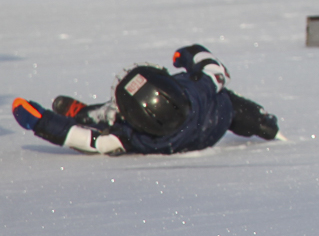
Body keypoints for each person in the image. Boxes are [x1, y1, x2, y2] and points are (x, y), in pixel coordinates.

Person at [11, 44, 278, 156]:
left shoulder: (136, 136)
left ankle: (86, 113)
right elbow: (213, 67)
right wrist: (188, 54)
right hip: (216, 119)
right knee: (234, 107)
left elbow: (90, 141)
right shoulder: (200, 89)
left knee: (106, 119)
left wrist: (40, 122)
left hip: (204, 123)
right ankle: (263, 123)